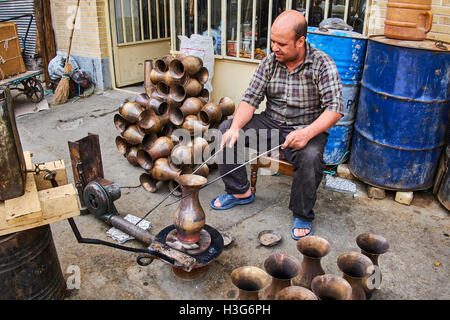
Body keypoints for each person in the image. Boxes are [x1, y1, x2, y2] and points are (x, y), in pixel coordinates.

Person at [210, 10, 344, 240]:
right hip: (271, 123)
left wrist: (307, 133)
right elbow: (250, 100)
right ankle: (240, 191)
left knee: (311, 156)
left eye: (281, 43)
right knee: (226, 130)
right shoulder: (270, 62)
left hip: (306, 127)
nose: (274, 47)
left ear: (300, 41)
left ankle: (302, 214)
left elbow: (335, 108)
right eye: (272, 41)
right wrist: (234, 129)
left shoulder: (322, 64)